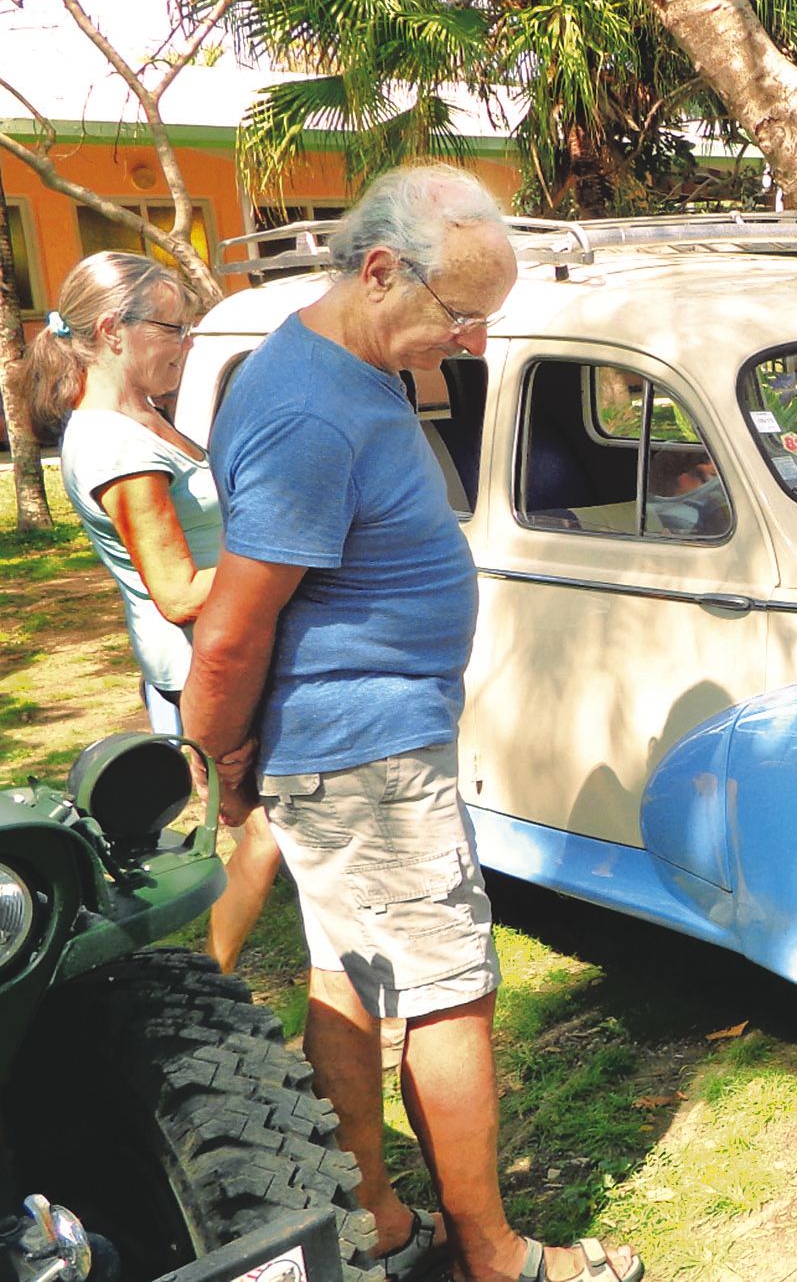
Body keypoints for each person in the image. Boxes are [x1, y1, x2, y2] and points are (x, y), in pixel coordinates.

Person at [180, 163, 642, 1282]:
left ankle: (378, 1218)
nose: (473, 342)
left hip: (354, 745)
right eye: (461, 314)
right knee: (448, 992)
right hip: (365, 754)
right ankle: (491, 1251)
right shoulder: (308, 407)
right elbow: (234, 630)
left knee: (354, 973)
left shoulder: (350, 363)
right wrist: (213, 760)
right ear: (381, 271)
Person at [26, 250, 280, 974]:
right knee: (268, 832)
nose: (187, 343)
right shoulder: (112, 442)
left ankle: (214, 979)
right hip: (203, 662)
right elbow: (175, 590)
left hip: (219, 652)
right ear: (113, 330)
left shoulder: (143, 418)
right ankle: (213, 979)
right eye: (172, 326)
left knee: (262, 830)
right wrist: (290, 550)